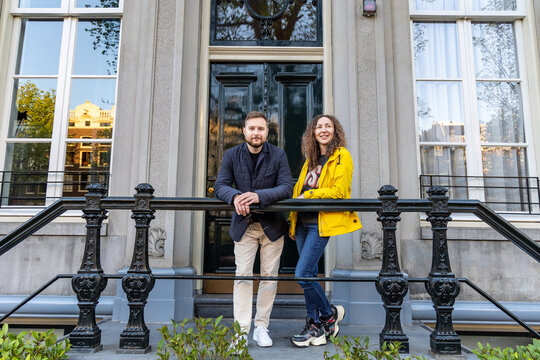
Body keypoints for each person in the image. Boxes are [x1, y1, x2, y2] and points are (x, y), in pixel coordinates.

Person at [213, 111, 293, 348]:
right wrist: (235, 196)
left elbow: (287, 187)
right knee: (243, 277)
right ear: (244, 131)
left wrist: (258, 196)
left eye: (261, 129)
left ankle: (261, 327)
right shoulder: (231, 155)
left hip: (272, 227)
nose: (256, 133)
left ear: (267, 132)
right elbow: (220, 185)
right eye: (252, 129)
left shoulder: (278, 155)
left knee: (269, 277)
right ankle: (241, 331)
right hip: (244, 226)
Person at [288, 114, 362, 347]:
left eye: (328, 126)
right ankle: (313, 325)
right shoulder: (311, 159)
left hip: (320, 224)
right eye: (319, 127)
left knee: (301, 274)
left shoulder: (342, 156)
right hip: (301, 223)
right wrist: (292, 220)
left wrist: (309, 196)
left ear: (335, 131)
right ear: (313, 132)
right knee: (308, 275)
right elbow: (297, 190)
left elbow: (339, 191)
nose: (323, 130)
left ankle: (329, 316)